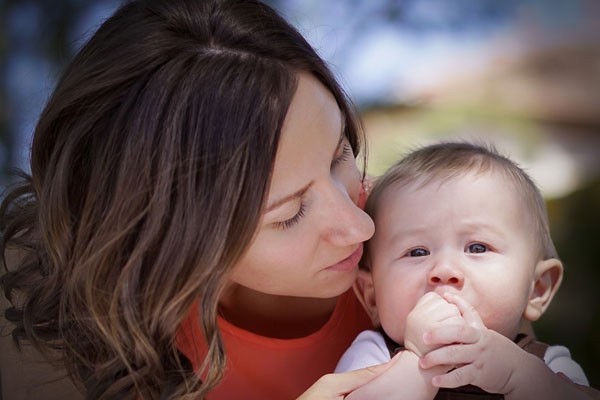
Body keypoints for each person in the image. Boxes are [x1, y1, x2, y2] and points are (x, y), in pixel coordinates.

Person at [0, 0, 401, 398]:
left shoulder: (427, 241)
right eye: (289, 215)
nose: (361, 226)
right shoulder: (62, 334)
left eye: (340, 155)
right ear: (168, 234)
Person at [336, 141, 600, 399]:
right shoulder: (373, 355)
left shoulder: (548, 365)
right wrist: (417, 363)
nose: (445, 270)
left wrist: (518, 378)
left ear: (537, 288)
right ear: (371, 295)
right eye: (417, 252)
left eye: (477, 248)